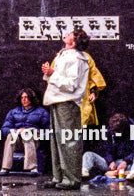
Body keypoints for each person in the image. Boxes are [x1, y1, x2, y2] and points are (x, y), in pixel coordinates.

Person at [41, 26, 92, 190]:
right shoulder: (64, 54)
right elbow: (59, 78)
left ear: (75, 41)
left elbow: (71, 84)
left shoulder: (77, 59)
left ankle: (71, 179)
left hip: (67, 102)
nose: (67, 34)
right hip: (57, 100)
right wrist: (50, 73)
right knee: (56, 141)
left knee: (68, 141)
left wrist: (52, 73)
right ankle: (59, 177)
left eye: (71, 34)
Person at [0, 87, 50, 175]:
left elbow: (48, 130)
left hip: (34, 141)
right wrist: (14, 131)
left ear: (32, 98)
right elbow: (4, 128)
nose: (24, 100)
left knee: (27, 134)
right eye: (22, 98)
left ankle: (32, 167)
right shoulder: (13, 112)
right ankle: (5, 167)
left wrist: (39, 134)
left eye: (26, 97)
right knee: (11, 136)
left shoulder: (42, 112)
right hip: (18, 141)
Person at [81, 112, 134, 180]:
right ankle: (84, 172)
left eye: (119, 132)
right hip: (111, 164)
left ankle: (133, 173)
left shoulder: (133, 130)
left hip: (128, 164)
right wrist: (110, 161)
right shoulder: (109, 131)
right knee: (89, 154)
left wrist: (125, 161)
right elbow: (105, 149)